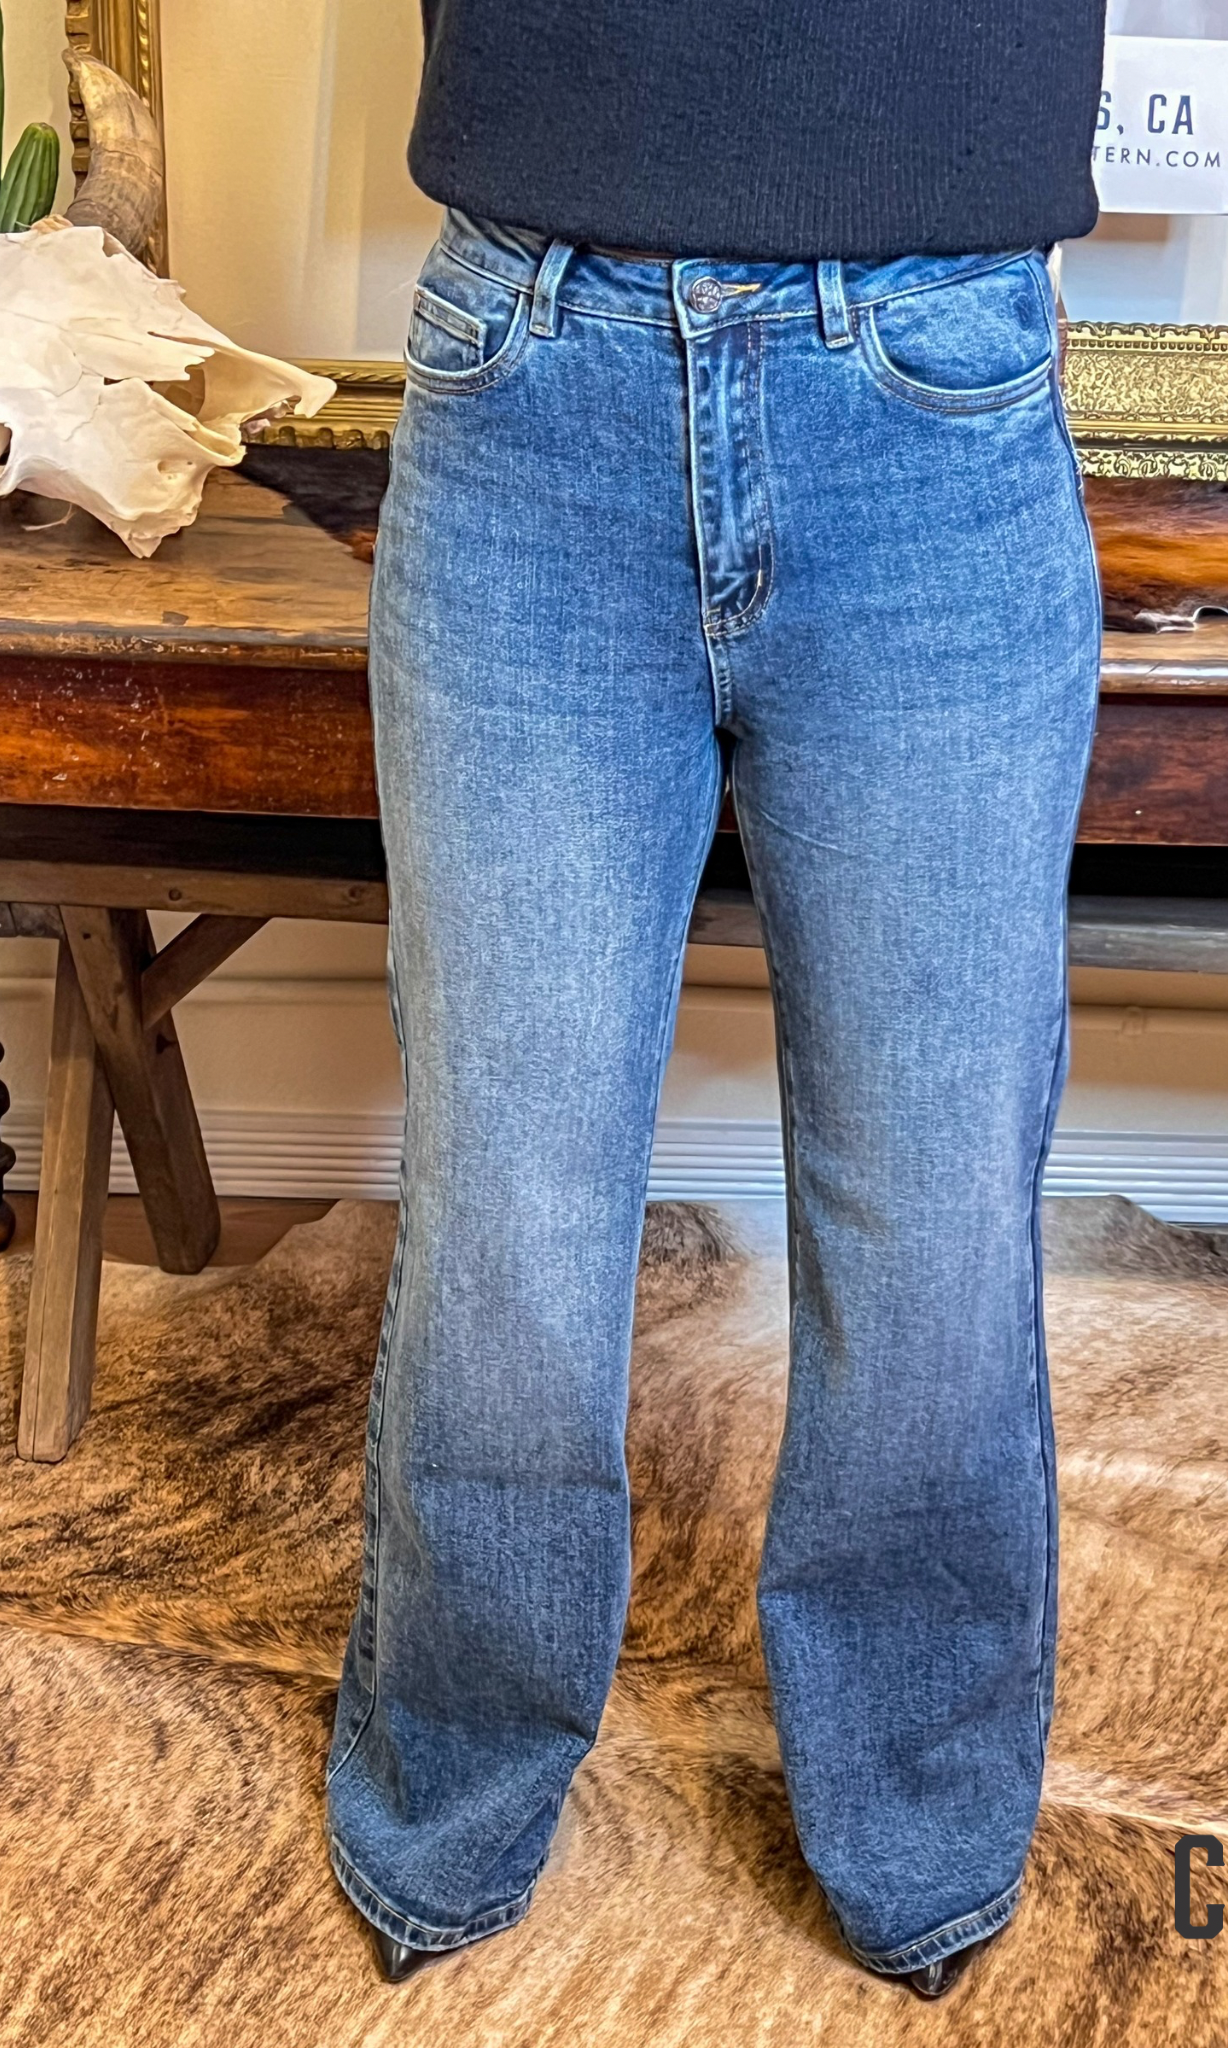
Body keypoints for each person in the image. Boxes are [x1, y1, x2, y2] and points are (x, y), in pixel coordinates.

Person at [325, 0, 1108, 2001]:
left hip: (935, 379)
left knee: (931, 1215)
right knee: (507, 1209)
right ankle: (451, 1785)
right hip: (530, 371)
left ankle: (919, 1820)